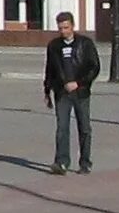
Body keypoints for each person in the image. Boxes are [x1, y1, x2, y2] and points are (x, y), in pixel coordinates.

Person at [43, 11, 101, 174]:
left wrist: (79, 83)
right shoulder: (54, 46)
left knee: (84, 127)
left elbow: (94, 67)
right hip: (62, 92)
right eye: (60, 28)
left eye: (66, 27)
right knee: (62, 128)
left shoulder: (85, 44)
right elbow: (50, 69)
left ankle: (85, 162)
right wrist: (47, 90)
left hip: (81, 92)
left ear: (73, 26)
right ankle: (61, 162)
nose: (63, 31)